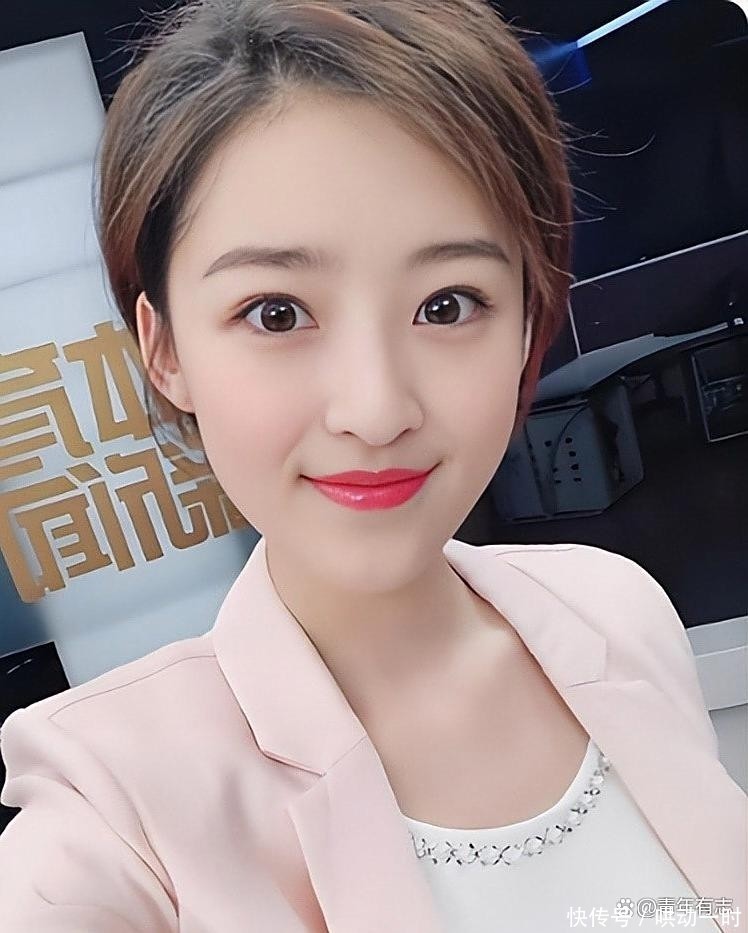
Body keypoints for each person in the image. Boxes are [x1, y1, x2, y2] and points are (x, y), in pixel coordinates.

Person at [0, 1, 745, 930]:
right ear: (167, 350)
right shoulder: (117, 808)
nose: (377, 408)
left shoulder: (615, 609)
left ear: (527, 318)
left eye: (448, 304)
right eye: (276, 313)